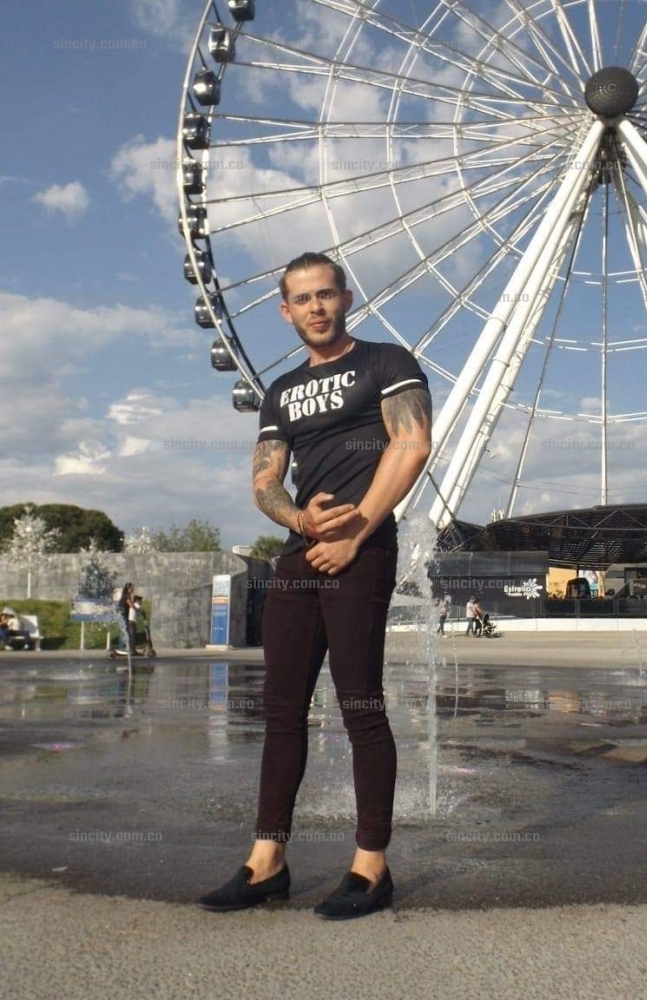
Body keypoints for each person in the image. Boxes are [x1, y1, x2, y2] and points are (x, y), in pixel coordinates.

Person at [198, 251, 432, 919]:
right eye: (302, 299)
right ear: (285, 311)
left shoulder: (386, 363)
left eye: (326, 294)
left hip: (362, 551)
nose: (316, 307)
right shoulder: (281, 391)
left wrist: (355, 533)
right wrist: (300, 519)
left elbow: (412, 444)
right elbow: (265, 480)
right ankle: (266, 861)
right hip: (299, 555)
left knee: (361, 706)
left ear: (346, 297)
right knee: (282, 711)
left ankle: (371, 867)